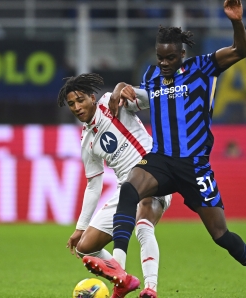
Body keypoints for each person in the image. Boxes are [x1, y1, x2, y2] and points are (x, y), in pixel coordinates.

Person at [82, 1, 246, 298]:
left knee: (220, 234)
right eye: (161, 57)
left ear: (182, 54)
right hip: (162, 159)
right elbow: (142, 97)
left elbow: (241, 51)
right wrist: (121, 86)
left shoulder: (202, 67)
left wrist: (236, 21)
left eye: (171, 57)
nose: (165, 63)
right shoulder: (152, 76)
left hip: (195, 165)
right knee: (130, 190)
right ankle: (119, 264)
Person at [57, 73, 172, 298]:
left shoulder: (112, 102)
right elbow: (93, 185)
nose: (77, 107)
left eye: (80, 100)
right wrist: (80, 227)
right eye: (71, 104)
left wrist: (128, 88)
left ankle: (151, 288)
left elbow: (153, 99)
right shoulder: (87, 141)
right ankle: (125, 279)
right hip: (126, 190)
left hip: (154, 174)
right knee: (84, 247)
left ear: (92, 97)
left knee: (143, 223)